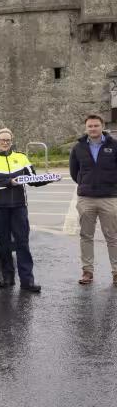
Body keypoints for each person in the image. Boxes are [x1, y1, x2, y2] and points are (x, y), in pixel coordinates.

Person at [0, 128, 42, 293]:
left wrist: (47, 179)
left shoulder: (21, 157)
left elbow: (32, 179)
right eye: (2, 140)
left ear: (12, 141)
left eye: (8, 140)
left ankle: (27, 281)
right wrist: (9, 182)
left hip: (19, 207)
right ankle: (8, 278)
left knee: (22, 243)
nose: (5, 142)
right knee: (4, 244)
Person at [69, 114, 117, 286]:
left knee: (112, 237)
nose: (93, 129)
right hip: (86, 198)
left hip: (109, 198)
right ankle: (87, 272)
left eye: (96, 126)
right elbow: (74, 172)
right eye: (90, 126)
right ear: (86, 128)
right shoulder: (78, 148)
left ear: (102, 126)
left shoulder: (114, 145)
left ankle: (116, 272)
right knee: (86, 236)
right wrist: (85, 184)